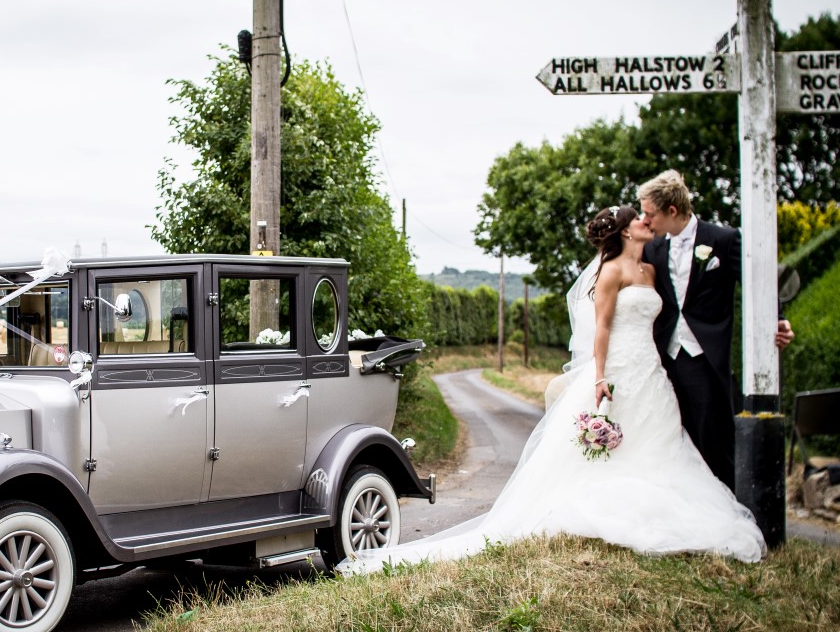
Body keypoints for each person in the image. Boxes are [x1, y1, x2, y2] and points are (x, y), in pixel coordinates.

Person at [337, 205, 765, 576]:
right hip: (618, 367)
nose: (646, 223)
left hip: (652, 370)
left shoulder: (653, 266)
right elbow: (600, 329)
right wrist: (600, 376)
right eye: (640, 220)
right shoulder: (611, 271)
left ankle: (677, 508)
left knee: (662, 438)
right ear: (625, 231)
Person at [638, 170, 794, 492]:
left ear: (672, 211)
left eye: (649, 213)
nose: (645, 220)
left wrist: (776, 319)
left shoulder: (723, 239)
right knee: (672, 437)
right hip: (666, 359)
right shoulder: (652, 250)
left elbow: (756, 285)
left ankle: (723, 510)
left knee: (713, 440)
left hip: (706, 358)